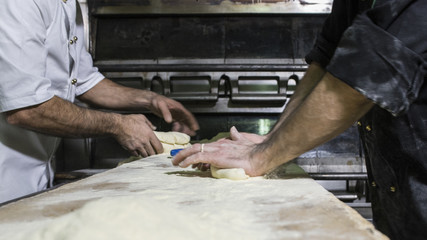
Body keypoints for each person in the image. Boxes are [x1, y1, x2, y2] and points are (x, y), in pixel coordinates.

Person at [172, 0, 427, 239]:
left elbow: (367, 76)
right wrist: (270, 140)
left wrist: (259, 157)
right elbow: (327, 59)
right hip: (398, 200)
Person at [0, 0, 199, 204]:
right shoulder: (19, 3)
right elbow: (26, 109)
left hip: (37, 177)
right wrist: (118, 125)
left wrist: (150, 99)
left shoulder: (69, 6)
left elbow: (83, 80)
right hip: (6, 178)